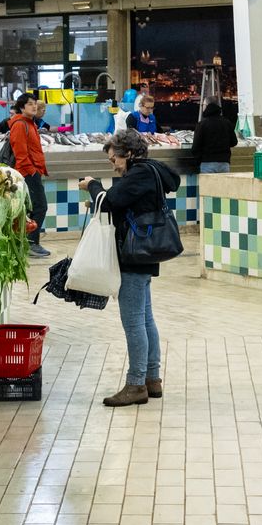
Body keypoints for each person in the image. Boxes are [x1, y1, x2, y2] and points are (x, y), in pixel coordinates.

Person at [85, 129, 178, 407]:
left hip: (135, 253)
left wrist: (92, 185)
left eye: (115, 159)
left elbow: (111, 200)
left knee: (134, 322)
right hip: (145, 252)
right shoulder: (152, 170)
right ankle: (152, 379)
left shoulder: (139, 174)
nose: (114, 165)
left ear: (130, 153)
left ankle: (136, 384)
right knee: (145, 318)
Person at [9, 94, 51, 258]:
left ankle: (26, 243)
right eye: (30, 104)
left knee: (30, 209)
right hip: (27, 173)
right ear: (21, 107)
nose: (34, 107)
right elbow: (21, 154)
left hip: (33, 171)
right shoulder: (20, 125)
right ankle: (32, 243)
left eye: (35, 104)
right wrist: (33, 171)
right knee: (40, 206)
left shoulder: (29, 123)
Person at [191, 100, 237, 174]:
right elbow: (234, 142)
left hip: (207, 163)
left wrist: (198, 159)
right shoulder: (227, 123)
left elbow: (195, 147)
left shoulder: (202, 124)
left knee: (208, 185)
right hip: (224, 163)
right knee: (223, 185)